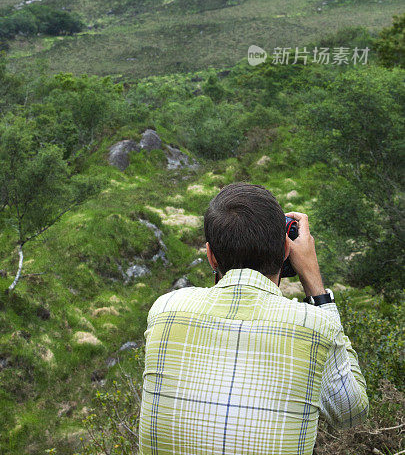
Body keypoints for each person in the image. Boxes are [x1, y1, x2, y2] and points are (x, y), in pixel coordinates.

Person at [138, 182, 369, 455]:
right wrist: (316, 288)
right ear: (287, 251)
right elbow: (351, 414)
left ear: (211, 256)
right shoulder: (314, 325)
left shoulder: (165, 308)